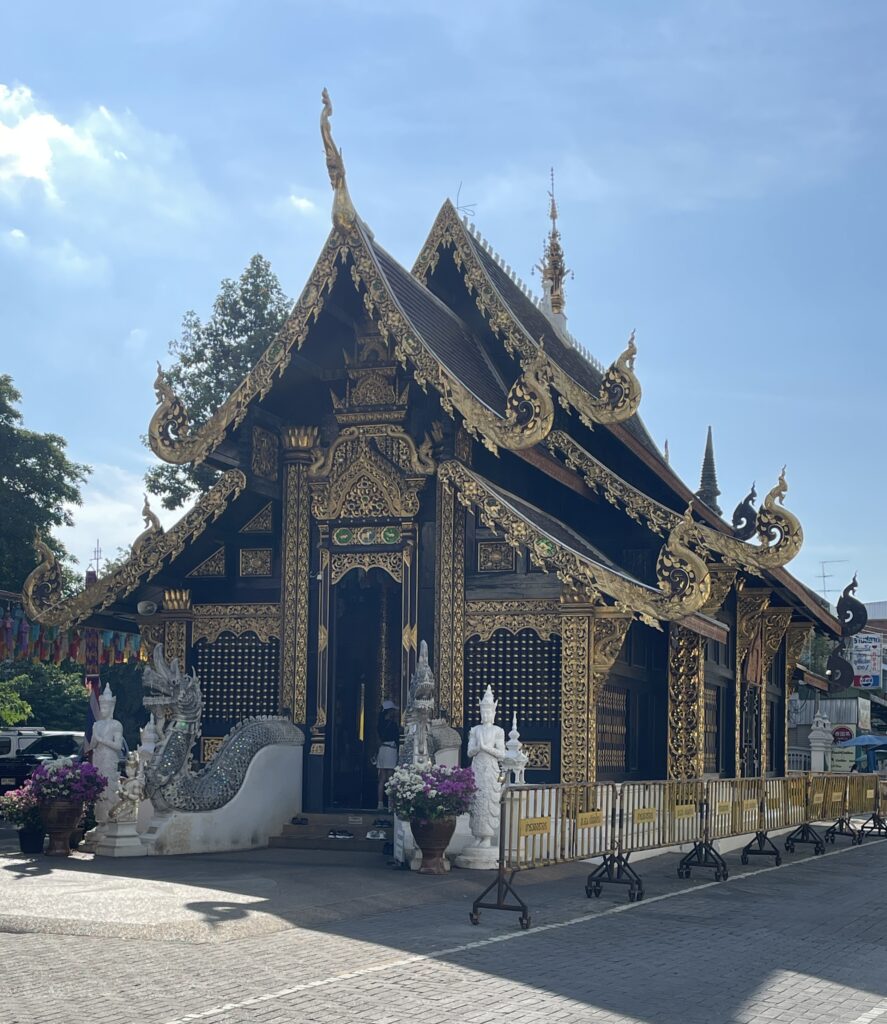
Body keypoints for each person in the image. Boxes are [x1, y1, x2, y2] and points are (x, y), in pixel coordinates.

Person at [376, 700, 400, 810]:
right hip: (391, 750)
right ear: (389, 711)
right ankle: (391, 804)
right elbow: (397, 738)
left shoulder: (379, 724)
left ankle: (380, 803)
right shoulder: (393, 725)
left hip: (382, 750)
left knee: (382, 778)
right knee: (391, 778)